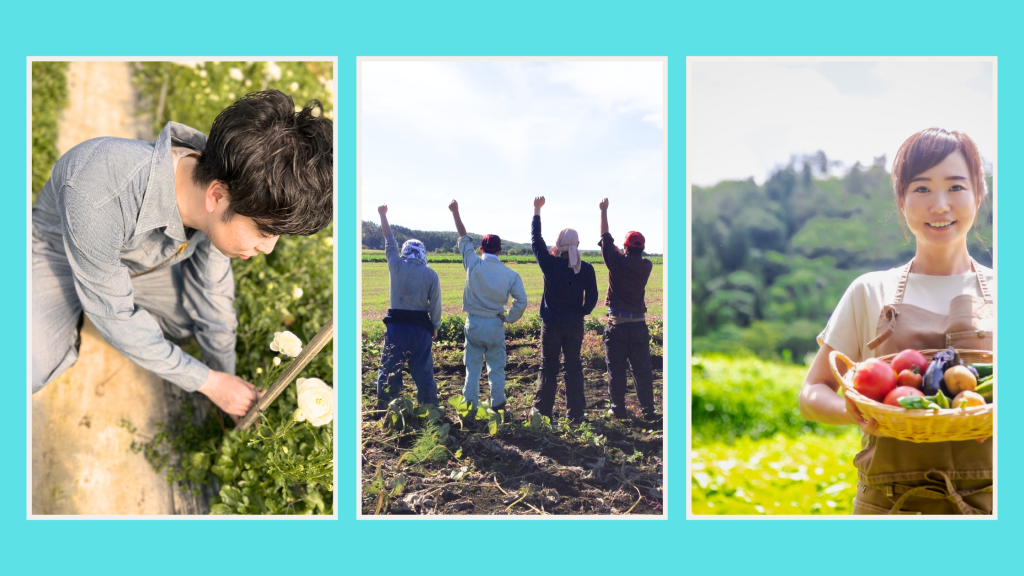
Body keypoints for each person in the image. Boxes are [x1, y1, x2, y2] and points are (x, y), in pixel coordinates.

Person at [32, 90, 333, 417]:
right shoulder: (98, 191)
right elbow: (113, 313)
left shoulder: (229, 187)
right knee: (30, 365)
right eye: (264, 231)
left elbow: (213, 297)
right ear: (216, 196)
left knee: (192, 320)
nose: (268, 248)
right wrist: (207, 382)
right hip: (58, 255)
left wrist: (229, 383)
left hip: (131, 266)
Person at [799, 127, 993, 515]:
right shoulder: (871, 290)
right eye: (922, 189)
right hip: (888, 506)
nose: (940, 205)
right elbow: (812, 392)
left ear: (978, 195)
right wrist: (850, 411)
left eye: (956, 187)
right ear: (902, 201)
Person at [449, 199, 527, 418]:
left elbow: (463, 238)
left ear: (481, 249)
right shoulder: (511, 274)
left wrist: (455, 212)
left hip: (474, 322)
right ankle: (498, 406)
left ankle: (469, 408)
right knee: (496, 368)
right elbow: (521, 301)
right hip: (495, 323)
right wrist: (509, 318)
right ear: (500, 250)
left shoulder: (473, 264)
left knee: (472, 368)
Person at [530, 196, 598, 422]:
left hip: (551, 324)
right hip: (574, 325)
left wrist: (537, 210)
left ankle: (543, 414)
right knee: (573, 367)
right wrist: (582, 312)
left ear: (558, 244)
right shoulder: (586, 268)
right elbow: (592, 297)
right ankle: (576, 415)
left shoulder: (550, 264)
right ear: (577, 244)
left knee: (548, 367)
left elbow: (536, 240)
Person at [373, 204, 442, 410]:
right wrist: (435, 326)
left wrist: (382, 215)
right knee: (423, 371)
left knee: (389, 369)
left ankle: (385, 407)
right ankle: (429, 408)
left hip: (396, 328)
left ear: (404, 252)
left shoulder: (396, 265)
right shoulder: (431, 275)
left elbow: (389, 240)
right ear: (423, 254)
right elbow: (435, 305)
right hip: (420, 330)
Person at [598, 198, 657, 421]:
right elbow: (611, 244)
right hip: (639, 326)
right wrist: (620, 251)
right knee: (642, 370)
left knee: (616, 370)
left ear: (625, 247)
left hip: (617, 325)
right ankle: (648, 410)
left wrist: (603, 211)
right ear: (642, 248)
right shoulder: (646, 266)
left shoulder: (617, 263)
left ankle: (618, 409)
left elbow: (605, 236)